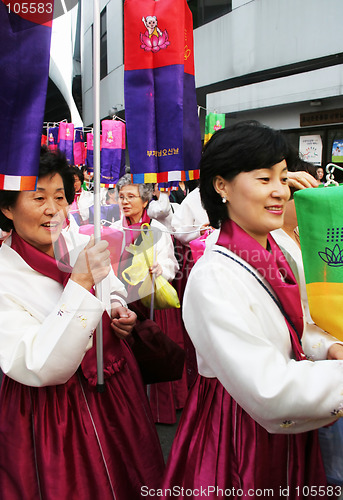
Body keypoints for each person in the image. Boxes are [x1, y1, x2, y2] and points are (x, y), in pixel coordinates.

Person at [161, 121, 343, 499]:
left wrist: (326, 349)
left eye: (282, 176)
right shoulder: (212, 275)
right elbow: (268, 387)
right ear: (221, 185)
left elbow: (290, 324)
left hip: (289, 415)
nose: (280, 191)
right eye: (264, 178)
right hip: (238, 431)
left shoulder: (276, 248)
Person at [0, 147, 164, 500]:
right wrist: (80, 283)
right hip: (54, 413)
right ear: (6, 207)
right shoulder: (4, 275)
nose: (52, 209)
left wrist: (119, 307)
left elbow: (112, 286)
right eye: (37, 197)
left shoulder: (76, 240)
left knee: (132, 473)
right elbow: (40, 365)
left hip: (115, 387)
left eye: (59, 197)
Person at [111, 175, 187, 424]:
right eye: (122, 196)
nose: (125, 201)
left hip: (151, 298)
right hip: (122, 301)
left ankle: (159, 408)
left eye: (131, 196)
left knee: (154, 348)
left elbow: (172, 264)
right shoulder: (113, 228)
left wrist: (160, 269)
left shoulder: (157, 229)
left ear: (145, 200)